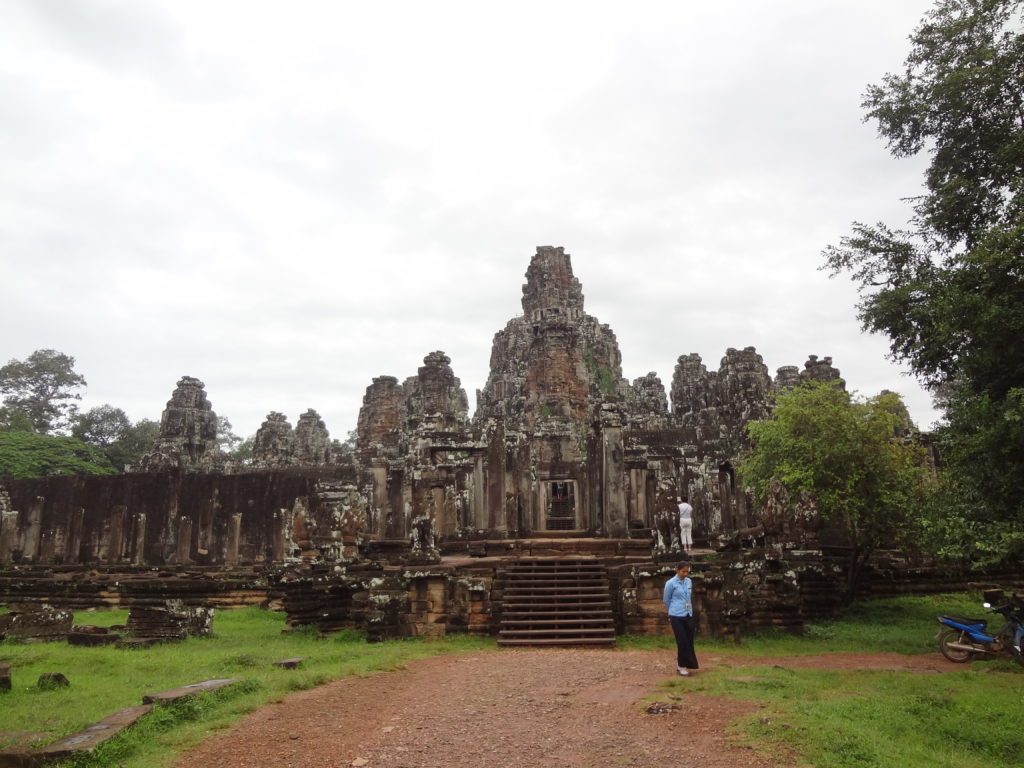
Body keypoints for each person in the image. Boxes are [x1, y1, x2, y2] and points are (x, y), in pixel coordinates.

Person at [663, 561, 699, 676]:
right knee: (682, 641)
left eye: (687, 571)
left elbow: (688, 597)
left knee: (689, 641)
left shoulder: (689, 581)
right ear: (677, 570)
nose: (685, 574)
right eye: (683, 571)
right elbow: (666, 600)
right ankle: (681, 666)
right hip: (676, 615)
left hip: (688, 614)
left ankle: (688, 664)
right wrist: (672, 611)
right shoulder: (670, 583)